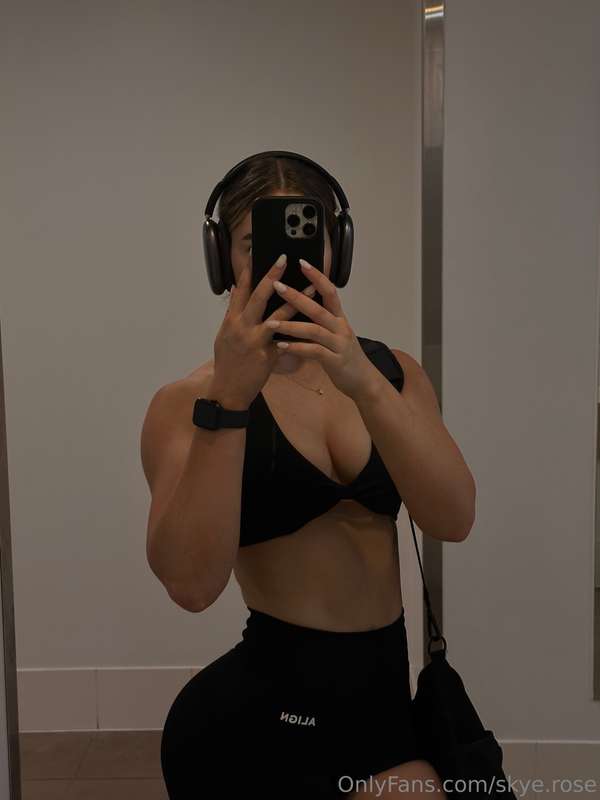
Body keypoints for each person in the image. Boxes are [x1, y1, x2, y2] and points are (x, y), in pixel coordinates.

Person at [141, 155, 476, 798]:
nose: (286, 262)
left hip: (383, 709)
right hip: (262, 722)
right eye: (256, 244)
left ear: (336, 249)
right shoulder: (188, 404)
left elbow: (454, 518)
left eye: (306, 236)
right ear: (222, 260)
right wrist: (230, 402)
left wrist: (363, 382)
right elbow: (190, 585)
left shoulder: (392, 373)